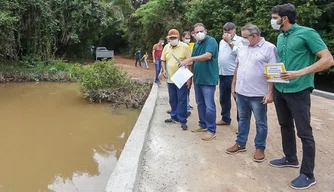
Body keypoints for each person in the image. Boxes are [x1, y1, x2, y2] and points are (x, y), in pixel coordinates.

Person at [269, 3, 334, 190]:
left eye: (274, 17)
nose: (272, 20)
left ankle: (308, 174)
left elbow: (328, 59)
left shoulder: (308, 33)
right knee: (285, 125)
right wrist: (271, 76)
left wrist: (299, 73)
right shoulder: (281, 36)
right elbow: (282, 63)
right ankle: (290, 158)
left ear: (285, 18)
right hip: (281, 90)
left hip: (299, 90)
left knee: (304, 132)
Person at [225, 24, 278, 163]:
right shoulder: (243, 48)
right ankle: (240, 143)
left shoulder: (269, 48)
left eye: (245, 37)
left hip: (258, 93)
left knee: (261, 122)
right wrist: (234, 84)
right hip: (241, 92)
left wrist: (270, 92)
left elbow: (274, 72)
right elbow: (238, 66)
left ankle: (260, 147)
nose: (242, 40)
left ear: (254, 36)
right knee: (243, 119)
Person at [181, 23, 219, 141]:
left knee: (209, 105)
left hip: (208, 80)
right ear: (193, 34)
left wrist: (190, 59)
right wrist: (189, 76)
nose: (199, 33)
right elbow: (194, 62)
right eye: (196, 32)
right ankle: (203, 124)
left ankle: (211, 129)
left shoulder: (211, 41)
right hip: (198, 79)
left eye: (201, 31)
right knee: (200, 104)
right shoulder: (197, 44)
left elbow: (208, 56)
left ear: (206, 31)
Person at [161, 29, 191, 130]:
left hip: (181, 78)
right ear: (168, 38)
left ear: (178, 38)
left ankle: (182, 120)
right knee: (172, 99)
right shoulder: (166, 47)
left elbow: (190, 62)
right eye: (171, 38)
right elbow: (163, 60)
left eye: (174, 38)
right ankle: (173, 116)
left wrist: (189, 78)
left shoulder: (184, 47)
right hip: (170, 79)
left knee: (182, 100)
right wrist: (164, 70)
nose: (173, 39)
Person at [217, 22, 243, 127]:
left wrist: (229, 42)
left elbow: (240, 54)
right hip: (222, 74)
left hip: (234, 75)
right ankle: (225, 118)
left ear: (234, 31)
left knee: (238, 100)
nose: (226, 34)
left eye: (229, 32)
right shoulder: (221, 42)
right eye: (225, 32)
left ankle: (241, 124)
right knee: (223, 98)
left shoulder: (241, 41)